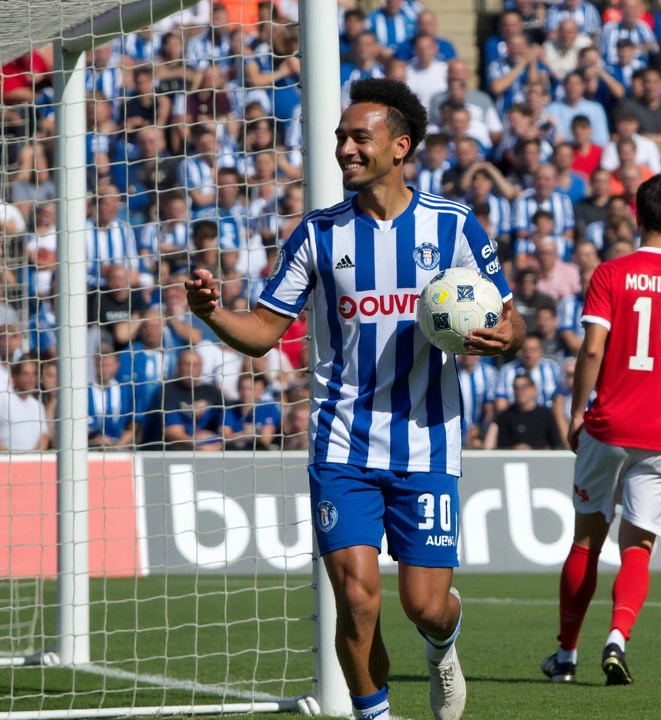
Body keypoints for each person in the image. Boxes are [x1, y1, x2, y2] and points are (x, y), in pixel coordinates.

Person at [185, 79, 523, 720]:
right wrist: (212, 314)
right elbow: (261, 334)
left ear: (400, 147)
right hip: (342, 442)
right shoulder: (317, 234)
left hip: (427, 439)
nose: (343, 148)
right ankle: (376, 714)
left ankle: (444, 642)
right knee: (358, 598)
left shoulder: (452, 227)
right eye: (340, 137)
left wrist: (503, 335)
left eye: (358, 137)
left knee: (425, 605)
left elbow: (511, 321)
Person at [541, 175, 661, 686]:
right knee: (638, 548)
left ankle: (567, 656)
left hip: (611, 425)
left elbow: (592, 349)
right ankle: (618, 636)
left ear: (635, 217)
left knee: (585, 543)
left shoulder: (611, 274)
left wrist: (579, 411)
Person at [0, 358, 49, 452]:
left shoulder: (38, 406)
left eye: (34, 374)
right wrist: (5, 456)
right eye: (26, 374)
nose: (31, 379)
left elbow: (44, 435)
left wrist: (33, 457)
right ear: (15, 376)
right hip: (3, 460)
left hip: (32, 461)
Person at [485, 374, 564, 449]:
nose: (520, 391)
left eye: (524, 387)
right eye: (516, 387)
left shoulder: (546, 415)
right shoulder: (504, 417)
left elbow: (556, 445)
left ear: (534, 390)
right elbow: (498, 447)